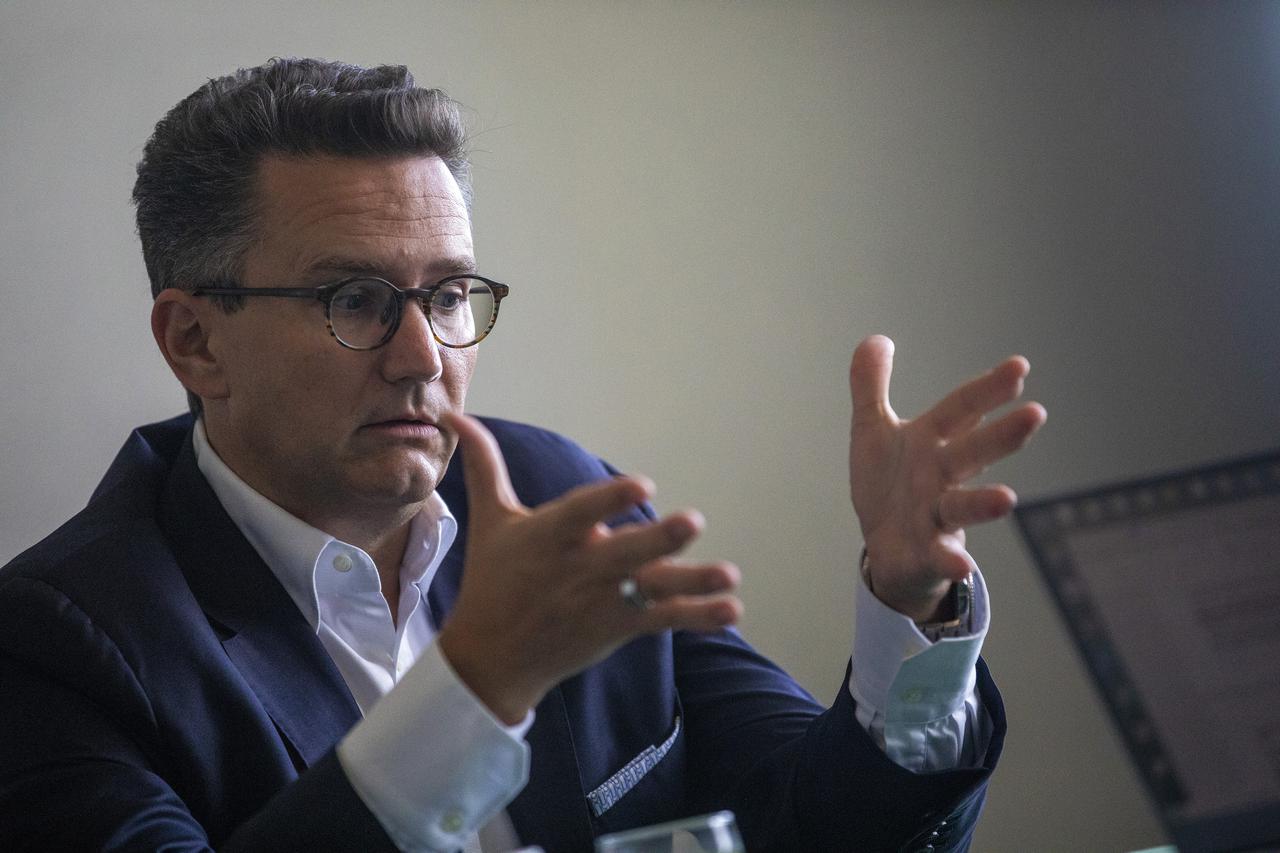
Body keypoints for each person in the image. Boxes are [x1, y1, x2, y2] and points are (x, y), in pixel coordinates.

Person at [0, 58, 1045, 852]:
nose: (424, 356)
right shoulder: (60, 643)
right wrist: (478, 684)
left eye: (450, 295)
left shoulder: (560, 495)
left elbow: (812, 823)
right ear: (195, 340)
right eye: (354, 299)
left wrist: (908, 607)